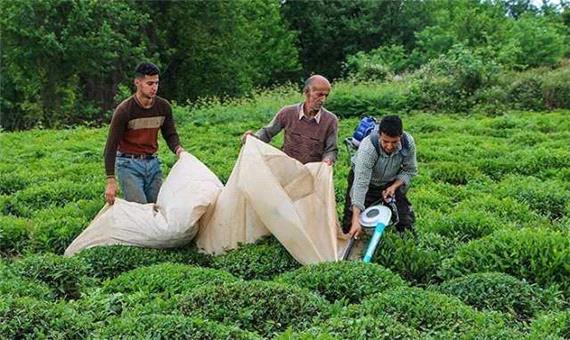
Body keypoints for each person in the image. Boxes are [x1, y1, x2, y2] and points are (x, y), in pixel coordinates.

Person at [103, 62, 185, 205]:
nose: (154, 87)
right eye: (150, 83)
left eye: (156, 83)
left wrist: (179, 150)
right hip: (129, 165)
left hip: (153, 163)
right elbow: (111, 146)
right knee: (140, 210)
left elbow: (170, 134)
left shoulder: (163, 107)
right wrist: (110, 180)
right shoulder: (125, 110)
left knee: (158, 208)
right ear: (138, 83)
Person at [342, 115, 417, 239]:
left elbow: (410, 170)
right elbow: (360, 184)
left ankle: (403, 248)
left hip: (390, 182)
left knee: (405, 220)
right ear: (379, 135)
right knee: (350, 223)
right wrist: (356, 219)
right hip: (365, 181)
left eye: (394, 142)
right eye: (385, 141)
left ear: (401, 136)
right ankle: (349, 255)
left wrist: (394, 186)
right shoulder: (368, 148)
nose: (389, 146)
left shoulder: (408, 143)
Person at [242, 75, 338, 165]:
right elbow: (267, 133)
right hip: (287, 168)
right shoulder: (287, 112)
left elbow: (331, 150)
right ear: (306, 92)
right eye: (319, 95)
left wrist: (328, 160)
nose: (323, 100)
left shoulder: (330, 120)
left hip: (311, 173)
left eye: (326, 96)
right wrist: (253, 139)